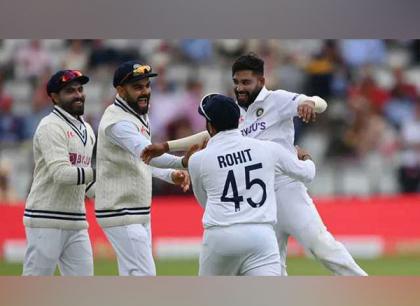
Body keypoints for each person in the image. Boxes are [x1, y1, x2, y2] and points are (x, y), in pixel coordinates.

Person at [142, 53, 367, 276]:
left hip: (286, 188)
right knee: (274, 265)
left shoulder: (276, 100)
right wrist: (167, 146)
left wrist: (309, 102)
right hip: (259, 197)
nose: (240, 87)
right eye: (236, 82)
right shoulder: (236, 111)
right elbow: (210, 134)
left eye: (246, 82)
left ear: (261, 81)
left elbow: (322, 103)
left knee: (321, 245)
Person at [188, 94, 316, 276]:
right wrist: (305, 157)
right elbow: (308, 174)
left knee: (211, 301)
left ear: (210, 125)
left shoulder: (198, 159)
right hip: (261, 235)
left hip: (220, 236)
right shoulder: (267, 148)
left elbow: (205, 202)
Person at [95, 61, 193, 276]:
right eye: (137, 87)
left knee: (133, 276)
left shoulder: (136, 114)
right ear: (120, 90)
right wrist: (183, 162)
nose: (145, 92)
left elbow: (140, 161)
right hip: (120, 211)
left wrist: (169, 175)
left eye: (147, 86)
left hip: (136, 211)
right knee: (144, 276)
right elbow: (148, 153)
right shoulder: (118, 123)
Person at [23, 70, 96, 276]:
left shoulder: (88, 130)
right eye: (70, 91)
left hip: (77, 221)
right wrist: (100, 172)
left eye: (80, 89)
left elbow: (85, 183)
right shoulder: (50, 126)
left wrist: (111, 192)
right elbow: (62, 174)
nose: (78, 95)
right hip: (46, 219)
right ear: (54, 97)